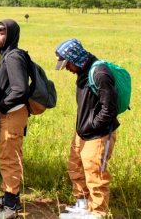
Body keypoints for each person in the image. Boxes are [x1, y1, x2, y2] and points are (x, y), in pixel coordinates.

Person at [56, 39, 119, 219]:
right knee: (74, 166)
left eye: (67, 64)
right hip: (83, 132)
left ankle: (98, 212)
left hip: (98, 133)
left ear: (75, 58)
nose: (66, 68)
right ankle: (83, 205)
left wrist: (91, 126)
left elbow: (109, 109)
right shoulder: (82, 72)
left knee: (95, 173)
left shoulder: (99, 73)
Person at [0, 19, 30, 219]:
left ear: (10, 35)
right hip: (11, 113)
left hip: (12, 113)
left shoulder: (13, 57)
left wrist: (2, 106)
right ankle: (9, 196)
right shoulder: (7, 55)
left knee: (9, 157)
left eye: (2, 32)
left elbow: (20, 89)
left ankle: (11, 207)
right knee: (6, 154)